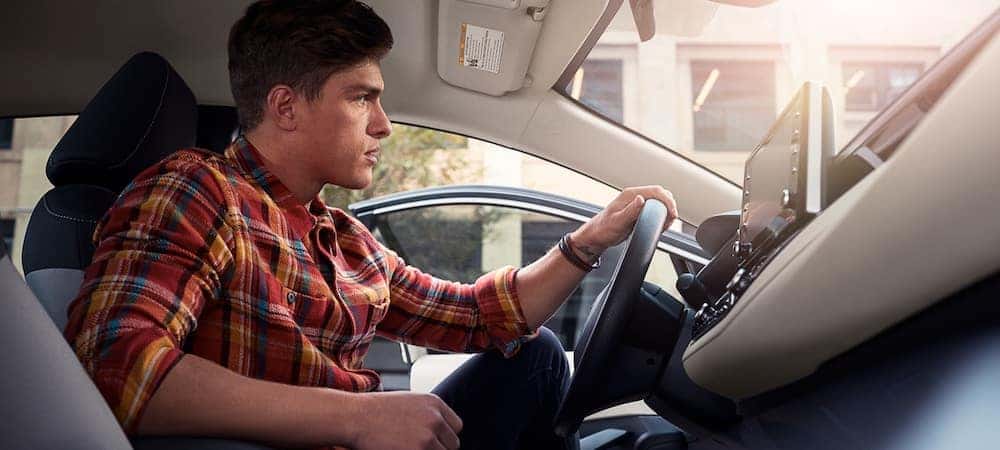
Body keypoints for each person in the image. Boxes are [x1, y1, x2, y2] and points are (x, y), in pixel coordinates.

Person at [63, 1, 678, 449]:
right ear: (286, 107)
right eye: (362, 98)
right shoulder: (196, 190)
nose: (383, 124)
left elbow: (474, 315)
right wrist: (356, 418)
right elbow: (113, 366)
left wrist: (589, 240)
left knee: (536, 355)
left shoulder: (343, 237)